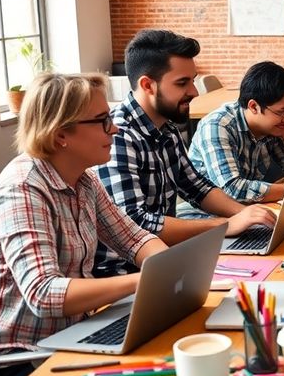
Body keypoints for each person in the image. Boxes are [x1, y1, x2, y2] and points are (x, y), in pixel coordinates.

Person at [0, 73, 171, 376]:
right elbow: (43, 294)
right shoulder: (22, 190)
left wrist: (167, 265)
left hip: (74, 335)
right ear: (60, 135)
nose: (115, 128)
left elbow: (134, 239)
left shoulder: (84, 180)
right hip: (25, 359)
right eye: (102, 120)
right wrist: (145, 281)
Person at [96, 29, 274, 277]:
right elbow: (135, 223)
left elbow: (196, 186)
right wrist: (224, 226)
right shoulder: (119, 136)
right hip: (126, 275)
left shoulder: (166, 128)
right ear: (148, 85)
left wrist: (243, 214)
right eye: (182, 83)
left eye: (193, 80)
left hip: (166, 260)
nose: (194, 91)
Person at [187, 61, 284, 204]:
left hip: (248, 207)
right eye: (282, 111)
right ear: (254, 106)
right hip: (206, 214)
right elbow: (233, 190)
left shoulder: (273, 124)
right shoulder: (217, 126)